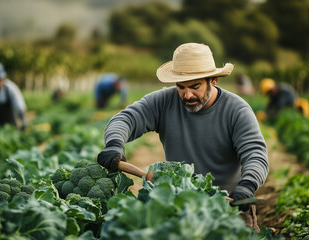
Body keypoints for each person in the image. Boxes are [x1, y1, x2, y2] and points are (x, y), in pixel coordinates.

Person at [97, 43, 269, 213]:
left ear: (213, 80)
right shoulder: (163, 102)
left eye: (195, 87)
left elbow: (255, 153)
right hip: (178, 206)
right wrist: (114, 143)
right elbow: (126, 119)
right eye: (181, 87)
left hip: (229, 206)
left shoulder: (237, 110)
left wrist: (247, 185)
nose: (187, 95)